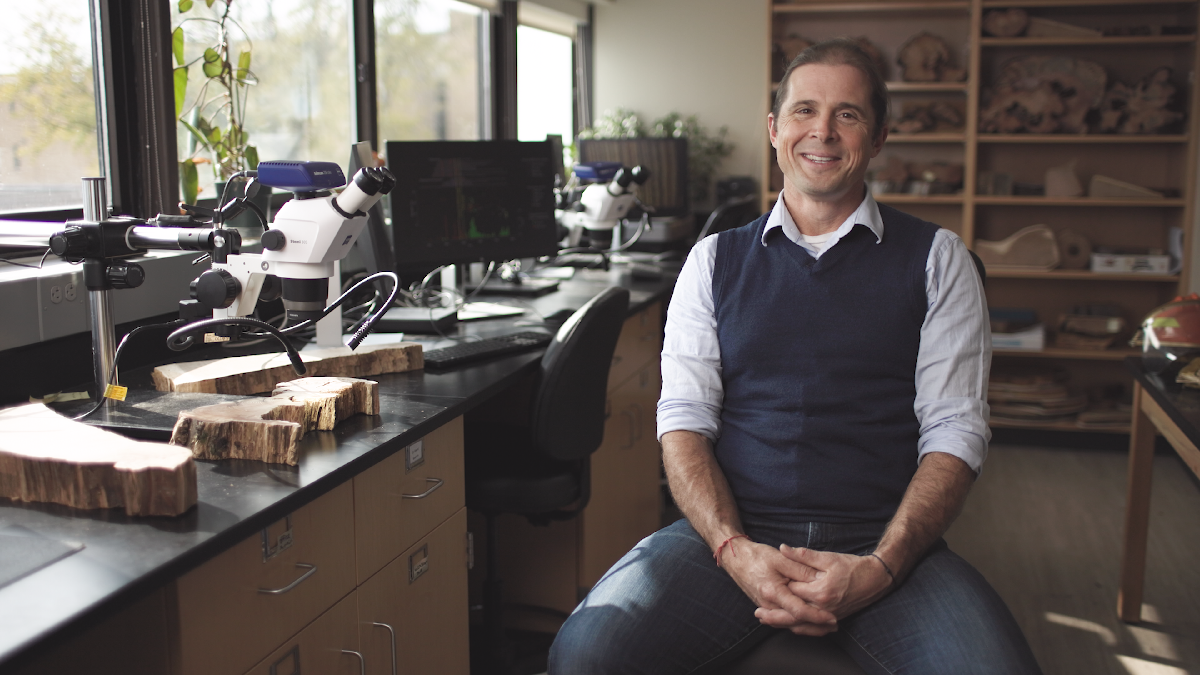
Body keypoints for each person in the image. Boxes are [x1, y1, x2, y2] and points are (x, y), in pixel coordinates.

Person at [548, 39, 1042, 674]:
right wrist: (733, 550)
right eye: (806, 110)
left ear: (881, 134)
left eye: (849, 114)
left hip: (884, 544)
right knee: (585, 654)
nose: (824, 132)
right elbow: (685, 422)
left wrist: (883, 568)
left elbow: (956, 430)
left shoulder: (938, 260)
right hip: (730, 542)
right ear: (777, 129)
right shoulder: (714, 260)